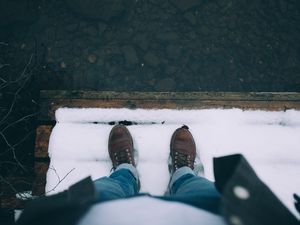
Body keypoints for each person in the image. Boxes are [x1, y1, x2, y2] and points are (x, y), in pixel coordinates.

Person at [17, 125, 299, 225]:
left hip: (94, 217)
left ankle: (126, 173)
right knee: (198, 188)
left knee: (109, 189)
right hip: (214, 214)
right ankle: (182, 173)